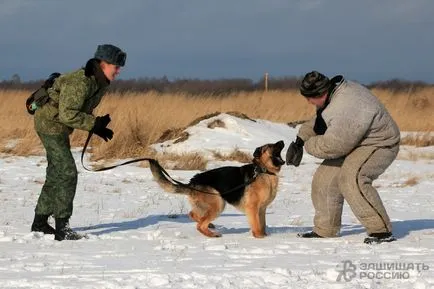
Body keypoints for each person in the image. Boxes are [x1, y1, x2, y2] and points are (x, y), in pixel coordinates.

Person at [286, 71, 400, 244]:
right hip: (354, 141)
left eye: (310, 98)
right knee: (323, 180)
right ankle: (326, 230)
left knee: (352, 178)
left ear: (321, 93)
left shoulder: (347, 105)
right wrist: (299, 140)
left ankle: (380, 231)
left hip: (379, 143)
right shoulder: (332, 96)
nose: (308, 102)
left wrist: (309, 145)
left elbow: (335, 146)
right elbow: (320, 121)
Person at [30, 44, 127, 241]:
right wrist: (93, 124)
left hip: (58, 125)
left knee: (57, 172)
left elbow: (79, 109)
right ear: (103, 64)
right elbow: (67, 114)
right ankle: (62, 227)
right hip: (49, 124)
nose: (118, 71)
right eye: (115, 66)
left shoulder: (99, 83)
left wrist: (98, 125)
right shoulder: (80, 82)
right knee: (67, 172)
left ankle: (40, 222)